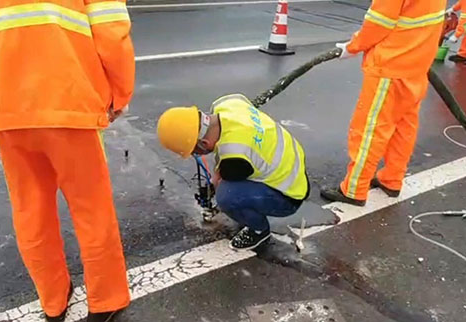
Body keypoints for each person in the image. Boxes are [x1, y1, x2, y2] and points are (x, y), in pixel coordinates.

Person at [0, 1, 135, 321]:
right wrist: (119, 93)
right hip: (68, 101)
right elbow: (111, 30)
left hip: (7, 108)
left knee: (31, 210)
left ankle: (53, 300)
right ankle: (106, 299)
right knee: (91, 206)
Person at [320, 0, 447, 206]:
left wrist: (352, 47)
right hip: (416, 65)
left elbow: (378, 23)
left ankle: (354, 189)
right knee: (403, 128)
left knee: (370, 130)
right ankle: (392, 179)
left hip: (391, 66)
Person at [157, 94, 310, 250]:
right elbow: (241, 99)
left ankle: (259, 230)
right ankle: (249, 209)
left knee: (227, 196)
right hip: (292, 163)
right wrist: (216, 177)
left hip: (288, 194)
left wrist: (215, 184)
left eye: (194, 151)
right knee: (229, 185)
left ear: (204, 143)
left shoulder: (235, 154)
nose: (195, 155)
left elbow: (225, 176)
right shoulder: (226, 105)